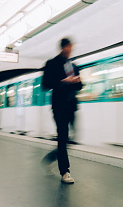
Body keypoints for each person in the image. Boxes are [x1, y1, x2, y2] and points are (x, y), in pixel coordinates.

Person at [41, 37, 82, 184]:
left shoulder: (73, 65)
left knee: (71, 138)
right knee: (63, 137)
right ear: (62, 48)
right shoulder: (51, 64)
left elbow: (80, 86)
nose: (70, 51)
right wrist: (63, 82)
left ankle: (50, 159)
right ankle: (65, 171)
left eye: (71, 49)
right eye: (68, 48)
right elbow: (45, 85)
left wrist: (77, 82)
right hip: (59, 107)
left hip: (71, 106)